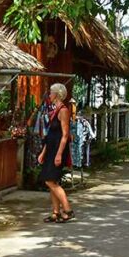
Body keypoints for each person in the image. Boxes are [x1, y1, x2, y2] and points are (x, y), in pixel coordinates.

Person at [37, 83, 74, 222]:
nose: (49, 95)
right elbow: (50, 134)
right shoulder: (53, 110)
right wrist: (43, 152)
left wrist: (59, 154)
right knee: (52, 180)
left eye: (51, 93)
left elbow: (65, 135)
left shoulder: (63, 110)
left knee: (50, 180)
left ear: (57, 94)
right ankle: (55, 212)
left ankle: (68, 210)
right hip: (51, 148)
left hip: (58, 150)